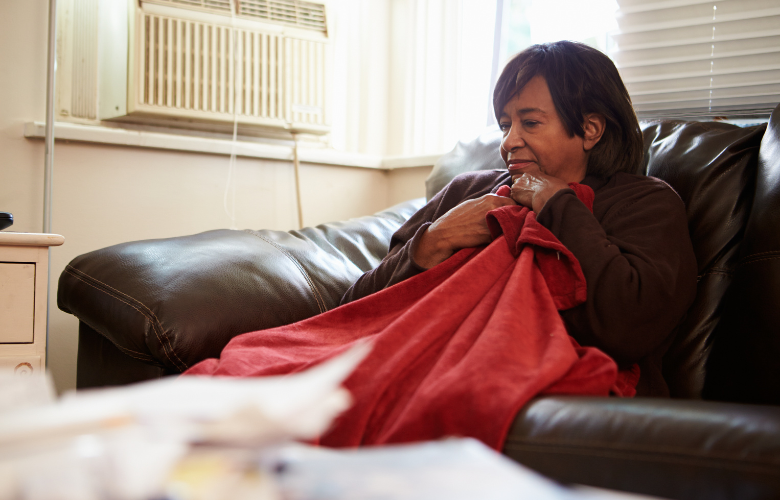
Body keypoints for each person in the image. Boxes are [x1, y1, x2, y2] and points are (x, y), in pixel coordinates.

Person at [341, 41, 698, 398]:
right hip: (411, 362)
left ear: (590, 129)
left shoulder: (646, 202)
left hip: (544, 395)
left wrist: (557, 203)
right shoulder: (467, 191)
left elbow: (628, 328)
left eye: (530, 122)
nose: (509, 141)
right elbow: (354, 311)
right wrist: (435, 240)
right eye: (504, 125)